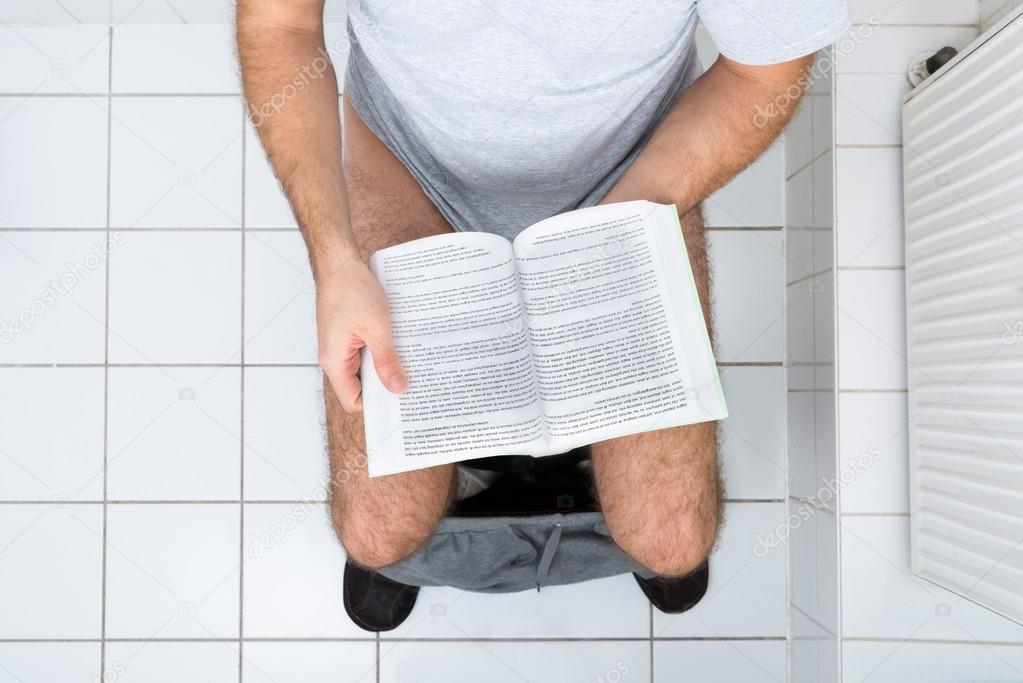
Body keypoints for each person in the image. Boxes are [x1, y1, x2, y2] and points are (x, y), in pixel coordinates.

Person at [236, 0, 849, 630]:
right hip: (404, 166)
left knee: (672, 541)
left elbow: (764, 74)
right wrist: (336, 260)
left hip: (634, 174)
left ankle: (565, 446)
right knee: (378, 535)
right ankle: (470, 461)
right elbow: (280, 24)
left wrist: (618, 229)